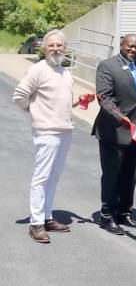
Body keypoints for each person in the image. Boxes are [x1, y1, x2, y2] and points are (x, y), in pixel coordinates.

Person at [13, 29, 93, 243]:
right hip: (46, 131)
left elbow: (63, 104)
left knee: (53, 177)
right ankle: (36, 223)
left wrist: (79, 101)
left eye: (59, 45)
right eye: (52, 45)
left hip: (65, 131)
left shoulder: (65, 73)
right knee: (41, 177)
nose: (56, 49)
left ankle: (47, 217)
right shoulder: (38, 70)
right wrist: (35, 111)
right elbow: (19, 96)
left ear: (64, 48)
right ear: (44, 48)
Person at [92, 33, 136, 235]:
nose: (133, 50)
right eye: (130, 46)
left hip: (135, 133)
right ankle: (107, 216)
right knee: (112, 175)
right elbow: (104, 97)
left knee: (129, 176)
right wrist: (121, 118)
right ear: (122, 45)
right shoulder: (107, 66)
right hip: (113, 131)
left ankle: (124, 213)